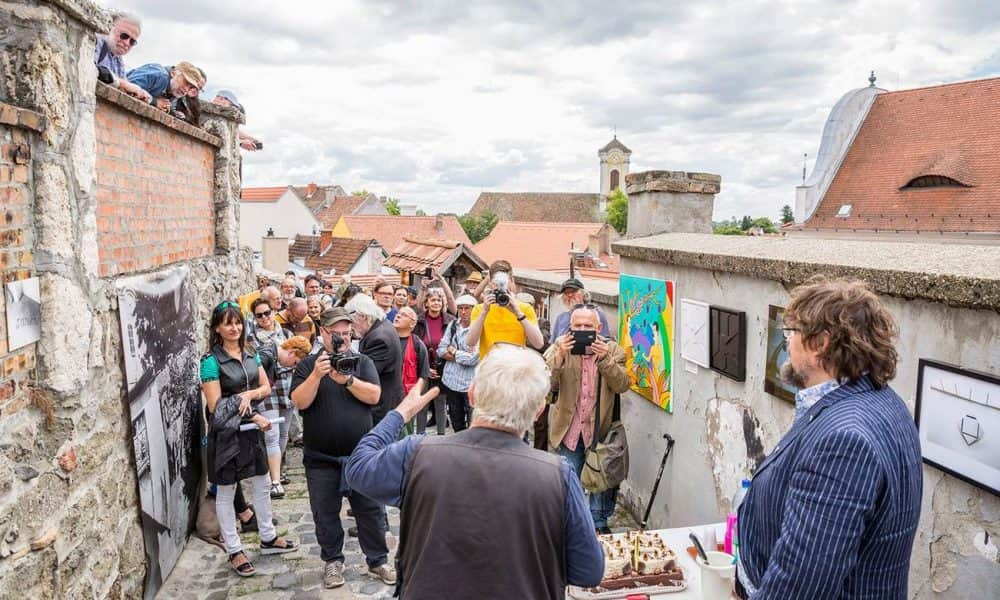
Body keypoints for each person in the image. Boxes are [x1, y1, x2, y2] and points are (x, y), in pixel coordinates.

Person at [345, 345, 604, 598]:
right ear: (538, 411)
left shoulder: (417, 453)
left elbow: (358, 469)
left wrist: (401, 413)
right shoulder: (557, 475)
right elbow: (589, 571)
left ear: (471, 394)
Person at [736, 277, 922, 599]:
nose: (787, 344)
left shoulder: (844, 440)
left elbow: (801, 582)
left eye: (791, 334)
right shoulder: (884, 401)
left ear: (820, 344)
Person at [289, 308, 396, 589]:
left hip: (361, 457)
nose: (342, 339)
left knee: (370, 511)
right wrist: (316, 375)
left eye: (347, 333)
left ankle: (377, 561)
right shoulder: (307, 366)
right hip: (320, 459)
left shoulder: (362, 362)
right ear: (323, 332)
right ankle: (333, 561)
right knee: (324, 513)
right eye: (336, 334)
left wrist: (346, 380)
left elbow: (374, 395)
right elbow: (299, 403)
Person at [200, 301, 297, 577]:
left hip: (251, 434)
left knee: (263, 482)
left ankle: (267, 536)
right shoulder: (210, 362)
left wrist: (249, 396)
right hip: (227, 435)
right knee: (227, 490)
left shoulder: (251, 353)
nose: (234, 328)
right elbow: (215, 407)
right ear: (217, 328)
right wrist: (254, 416)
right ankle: (234, 549)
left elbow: (266, 387)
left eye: (238, 322)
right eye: (228, 323)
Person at [544, 304, 630, 534]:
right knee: (570, 483)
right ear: (569, 328)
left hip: (598, 430)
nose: (582, 330)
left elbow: (622, 385)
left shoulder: (613, 351)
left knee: (600, 482)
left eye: (587, 326)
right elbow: (545, 385)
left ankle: (598, 526)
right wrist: (559, 356)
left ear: (598, 328)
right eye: (577, 326)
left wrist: (604, 359)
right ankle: (573, 527)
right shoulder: (560, 348)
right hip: (569, 429)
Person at [256, 335, 311, 498]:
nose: (294, 367)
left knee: (283, 436)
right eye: (295, 363)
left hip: (286, 396)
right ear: (292, 353)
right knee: (271, 436)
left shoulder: (276, 354)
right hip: (268, 397)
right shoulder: (266, 354)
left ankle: (276, 472)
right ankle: (274, 482)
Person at [345, 294, 403, 426]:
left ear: (363, 317)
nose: (351, 327)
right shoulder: (382, 325)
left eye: (351, 322)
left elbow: (364, 374)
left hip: (381, 409)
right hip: (386, 403)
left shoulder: (378, 339)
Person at [465, 260, 544, 357]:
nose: (500, 287)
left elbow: (539, 343)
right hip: (490, 368)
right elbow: (470, 342)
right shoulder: (479, 309)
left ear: (511, 280)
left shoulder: (525, 308)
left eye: (504, 282)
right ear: (490, 283)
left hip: (515, 368)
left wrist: (518, 313)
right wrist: (484, 312)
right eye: (496, 283)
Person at [413, 285, 453, 432]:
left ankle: (442, 436)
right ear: (427, 303)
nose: (436, 303)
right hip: (423, 368)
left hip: (443, 368)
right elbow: (414, 346)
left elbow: (453, 344)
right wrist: (425, 368)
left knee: (441, 404)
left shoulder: (450, 321)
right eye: (433, 300)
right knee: (422, 403)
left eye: (439, 300)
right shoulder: (419, 321)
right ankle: (419, 437)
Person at [436, 295, 479, 432]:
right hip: (452, 380)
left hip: (471, 383)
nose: (463, 312)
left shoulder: (479, 328)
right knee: (456, 420)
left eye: (467, 308)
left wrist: (453, 351)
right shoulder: (453, 325)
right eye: (460, 308)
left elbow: (473, 359)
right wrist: (462, 355)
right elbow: (441, 349)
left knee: (473, 422)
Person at [93, 12, 151, 102]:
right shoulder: (97, 41)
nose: (127, 43)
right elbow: (90, 68)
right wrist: (123, 84)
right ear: (110, 28)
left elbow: (124, 85)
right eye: (124, 36)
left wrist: (138, 93)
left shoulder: (118, 60)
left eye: (132, 41)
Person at [393, 307, 431, 434]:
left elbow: (423, 375)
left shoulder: (417, 344)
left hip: (406, 397)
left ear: (412, 323)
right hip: (386, 397)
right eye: (398, 313)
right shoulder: (385, 339)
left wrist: (413, 399)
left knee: (404, 435)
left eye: (404, 315)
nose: (398, 316)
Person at [126, 61, 205, 112]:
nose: (186, 90)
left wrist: (171, 111)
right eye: (186, 82)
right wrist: (154, 102)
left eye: (190, 87)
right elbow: (127, 87)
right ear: (173, 73)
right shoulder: (159, 75)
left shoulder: (174, 90)